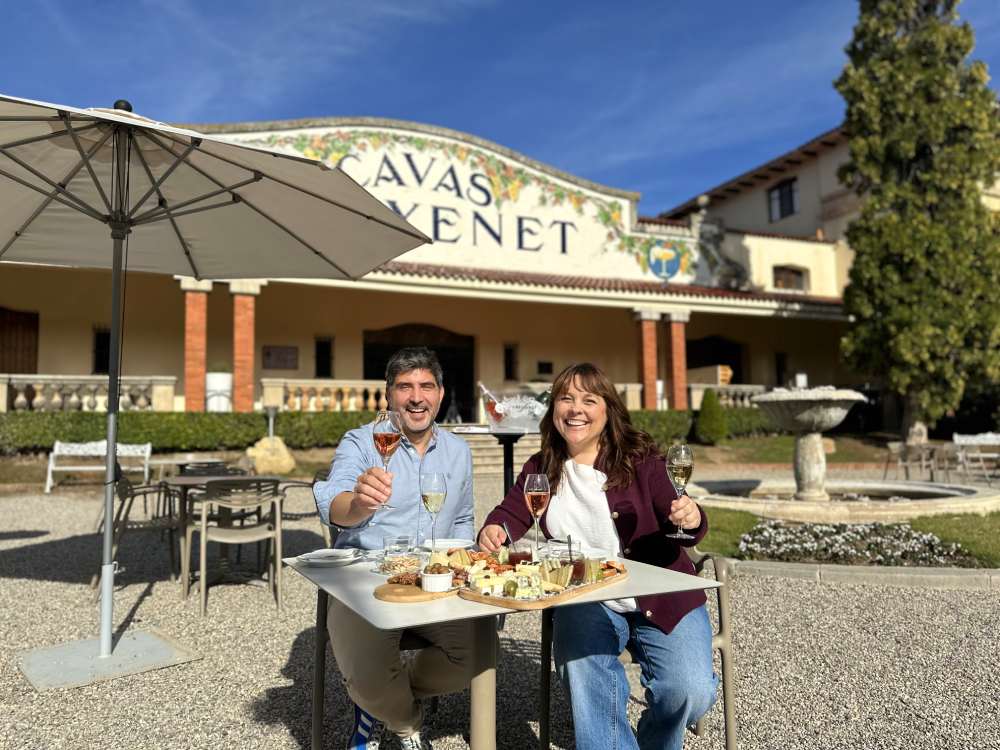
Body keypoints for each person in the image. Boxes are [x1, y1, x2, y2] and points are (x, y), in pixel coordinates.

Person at [478, 362, 717, 750]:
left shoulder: (642, 461)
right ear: (553, 408)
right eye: (566, 399)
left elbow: (683, 517)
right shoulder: (541, 467)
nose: (576, 409)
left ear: (608, 411)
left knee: (689, 691)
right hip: (584, 596)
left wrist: (690, 517)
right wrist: (493, 531)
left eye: (589, 400)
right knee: (586, 673)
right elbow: (508, 516)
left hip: (661, 594)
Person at [314, 347, 476, 750]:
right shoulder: (362, 442)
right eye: (404, 387)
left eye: (425, 386)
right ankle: (405, 722)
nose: (416, 397)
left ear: (440, 393)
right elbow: (333, 500)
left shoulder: (459, 452)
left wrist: (465, 565)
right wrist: (359, 504)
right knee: (368, 674)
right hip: (366, 581)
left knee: (477, 657)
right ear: (388, 396)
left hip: (436, 580)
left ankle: (383, 702)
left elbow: (462, 520)